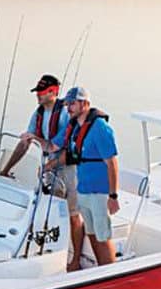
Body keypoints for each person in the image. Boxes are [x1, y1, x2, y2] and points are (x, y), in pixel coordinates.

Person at [0, 75, 81, 245]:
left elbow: (59, 146)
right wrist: (5, 170)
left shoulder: (66, 113)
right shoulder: (39, 112)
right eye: (37, 92)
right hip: (49, 169)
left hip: (69, 169)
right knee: (49, 209)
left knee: (72, 214)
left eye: (41, 92)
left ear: (53, 92)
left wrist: (35, 138)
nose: (38, 95)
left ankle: (75, 257)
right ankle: (54, 247)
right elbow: (27, 142)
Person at [50, 86, 119, 268]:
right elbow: (67, 153)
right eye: (67, 104)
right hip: (83, 190)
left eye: (73, 103)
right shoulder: (76, 128)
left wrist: (113, 196)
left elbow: (112, 164)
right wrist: (48, 165)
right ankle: (100, 271)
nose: (69, 108)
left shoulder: (100, 128)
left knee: (103, 236)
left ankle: (111, 272)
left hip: (99, 192)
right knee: (92, 233)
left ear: (85, 104)